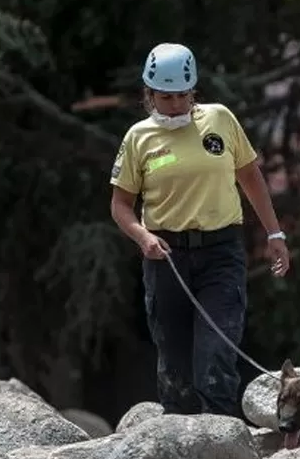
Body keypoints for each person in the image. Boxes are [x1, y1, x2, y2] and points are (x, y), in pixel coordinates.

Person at [109, 42, 290, 419]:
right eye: (165, 96)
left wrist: (275, 234)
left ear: (193, 91)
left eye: (181, 95)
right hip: (166, 257)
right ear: (150, 94)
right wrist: (143, 236)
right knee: (174, 365)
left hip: (221, 251)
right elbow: (120, 205)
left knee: (215, 355)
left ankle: (224, 441)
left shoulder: (220, 120)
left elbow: (250, 177)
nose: (174, 104)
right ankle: (179, 443)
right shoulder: (138, 138)